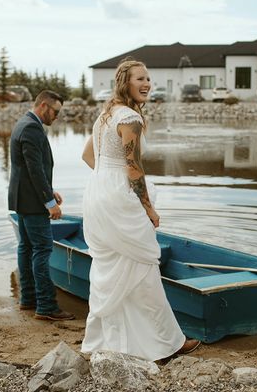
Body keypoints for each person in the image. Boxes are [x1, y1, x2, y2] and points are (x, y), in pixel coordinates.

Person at [80, 58, 200, 361]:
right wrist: (148, 208)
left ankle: (112, 342)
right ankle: (167, 345)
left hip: (97, 195)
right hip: (120, 199)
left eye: (148, 79)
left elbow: (86, 155)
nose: (146, 84)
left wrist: (106, 177)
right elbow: (133, 169)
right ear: (125, 83)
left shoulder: (106, 115)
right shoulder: (130, 118)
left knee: (110, 269)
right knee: (144, 270)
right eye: (139, 79)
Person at [8, 90, 74, 321]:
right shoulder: (32, 128)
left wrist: (50, 190)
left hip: (22, 199)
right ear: (44, 106)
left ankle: (28, 299)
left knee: (26, 248)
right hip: (33, 202)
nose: (56, 117)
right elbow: (34, 169)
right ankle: (46, 306)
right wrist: (49, 202)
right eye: (55, 111)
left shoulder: (23, 123)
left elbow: (29, 168)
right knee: (42, 250)